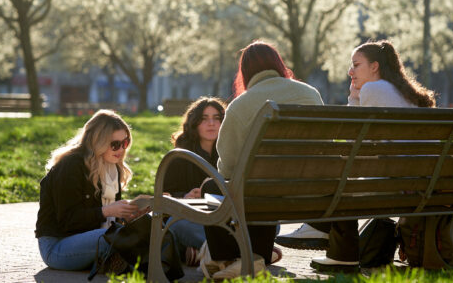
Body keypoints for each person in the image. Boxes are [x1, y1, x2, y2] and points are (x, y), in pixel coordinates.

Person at [276, 39, 436, 272]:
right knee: (343, 177)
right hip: (418, 184)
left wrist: (354, 98)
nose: (351, 71)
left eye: (356, 65)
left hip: (394, 186)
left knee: (334, 175)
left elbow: (356, 143)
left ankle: (331, 241)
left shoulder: (375, 88)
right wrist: (355, 96)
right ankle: (324, 234)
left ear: (375, 66)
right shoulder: (407, 93)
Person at [200, 40, 324, 279]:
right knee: (258, 184)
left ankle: (232, 257)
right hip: (310, 192)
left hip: (263, 194)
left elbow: (227, 167)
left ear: (245, 72)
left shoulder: (241, 106)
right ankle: (257, 257)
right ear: (278, 64)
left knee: (215, 186)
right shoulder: (310, 94)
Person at [35, 109, 148, 272]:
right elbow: (67, 220)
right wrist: (107, 211)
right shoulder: (71, 166)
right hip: (57, 246)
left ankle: (120, 263)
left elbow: (110, 222)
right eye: (115, 144)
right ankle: (124, 265)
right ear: (97, 142)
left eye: (125, 143)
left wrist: (129, 215)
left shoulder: (113, 168)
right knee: (113, 237)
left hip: (92, 237)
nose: (121, 149)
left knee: (145, 229)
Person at [163, 96, 227, 266]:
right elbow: (163, 197)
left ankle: (201, 253)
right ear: (194, 123)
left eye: (216, 118)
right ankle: (245, 251)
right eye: (204, 119)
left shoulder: (229, 156)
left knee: (274, 227)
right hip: (193, 220)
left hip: (224, 220)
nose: (211, 124)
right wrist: (185, 196)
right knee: (175, 225)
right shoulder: (178, 157)